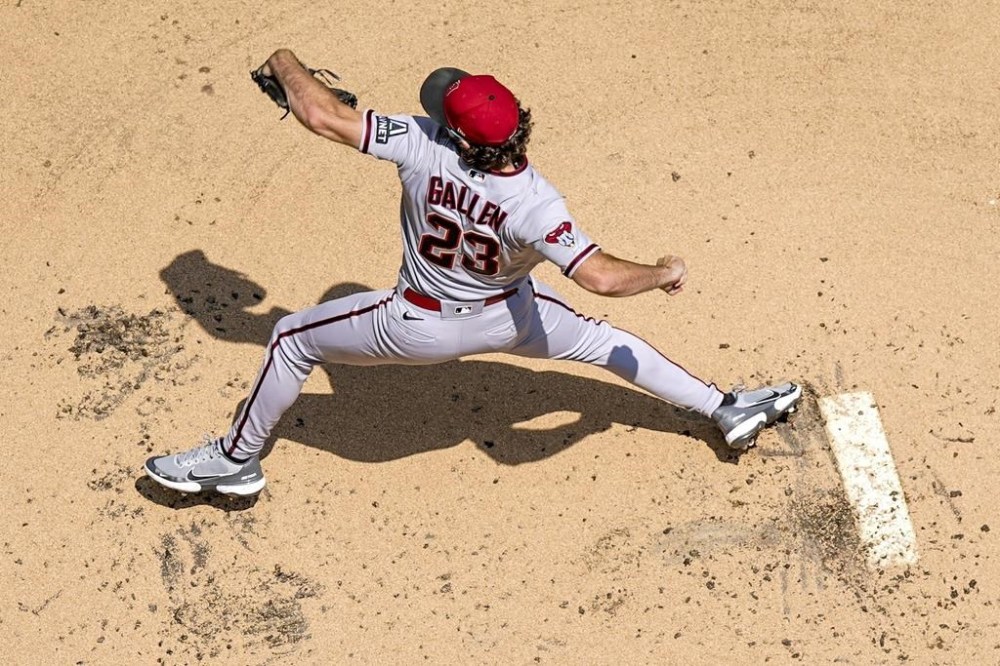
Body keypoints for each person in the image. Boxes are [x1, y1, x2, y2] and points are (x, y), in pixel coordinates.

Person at [144, 49, 801, 496]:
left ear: (460, 137)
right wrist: (662, 272)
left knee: (291, 337)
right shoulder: (538, 201)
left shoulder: (419, 142)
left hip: (414, 326)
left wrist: (286, 62)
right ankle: (725, 408)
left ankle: (234, 461)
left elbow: (323, 114)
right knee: (602, 342)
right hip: (512, 317)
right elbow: (598, 276)